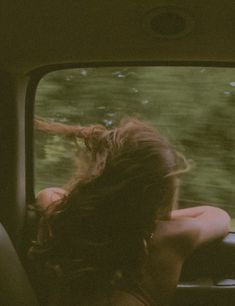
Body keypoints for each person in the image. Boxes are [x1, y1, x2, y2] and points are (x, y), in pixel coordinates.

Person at [30, 118, 230, 306]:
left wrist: (105, 210)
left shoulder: (66, 221)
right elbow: (219, 216)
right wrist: (157, 221)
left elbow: (47, 194)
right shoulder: (172, 237)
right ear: (161, 197)